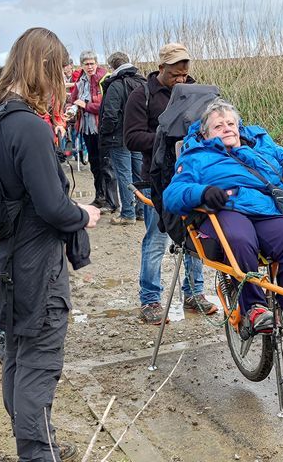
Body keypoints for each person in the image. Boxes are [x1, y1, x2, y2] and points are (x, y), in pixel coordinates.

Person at [0, 27, 100, 460]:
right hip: (36, 266)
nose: (63, 83)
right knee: (38, 366)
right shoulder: (29, 127)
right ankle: (37, 453)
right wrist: (84, 214)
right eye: (62, 72)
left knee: (18, 357)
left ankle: (39, 443)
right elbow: (53, 208)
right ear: (46, 68)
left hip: (5, 257)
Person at [164, 99, 283, 331]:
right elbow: (172, 194)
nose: (227, 128)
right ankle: (254, 308)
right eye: (218, 126)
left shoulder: (257, 144)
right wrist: (202, 192)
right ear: (205, 134)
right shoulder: (196, 156)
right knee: (240, 238)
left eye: (231, 123)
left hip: (263, 207)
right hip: (225, 208)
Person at [124, 42, 214, 324]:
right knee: (157, 238)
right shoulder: (142, 96)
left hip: (191, 176)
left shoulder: (197, 94)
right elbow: (132, 138)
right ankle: (150, 300)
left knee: (196, 235)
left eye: (185, 74)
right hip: (156, 177)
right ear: (161, 68)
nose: (181, 79)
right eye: (175, 74)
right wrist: (168, 140)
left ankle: (194, 294)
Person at [99, 51, 145, 225]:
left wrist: (105, 133)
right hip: (139, 135)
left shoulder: (116, 85)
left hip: (119, 137)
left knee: (124, 174)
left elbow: (110, 114)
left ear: (112, 67)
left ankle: (128, 213)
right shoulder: (142, 82)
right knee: (139, 173)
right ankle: (141, 210)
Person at [69, 50, 116, 212]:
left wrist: (86, 106)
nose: (89, 67)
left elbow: (105, 107)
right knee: (94, 165)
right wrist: (71, 108)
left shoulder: (105, 79)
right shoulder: (80, 82)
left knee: (107, 166)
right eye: (86, 64)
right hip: (86, 128)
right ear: (81, 65)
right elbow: (73, 100)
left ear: (97, 63)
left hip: (102, 128)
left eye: (92, 63)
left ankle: (112, 202)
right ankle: (100, 197)